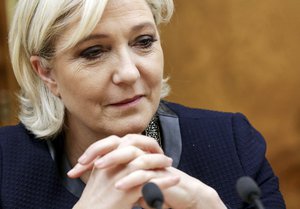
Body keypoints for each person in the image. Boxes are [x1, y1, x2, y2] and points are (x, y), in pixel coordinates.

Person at [0, 0, 285, 208]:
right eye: (94, 52)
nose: (129, 72)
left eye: (144, 41)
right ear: (46, 72)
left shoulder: (231, 143)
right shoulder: (6, 167)